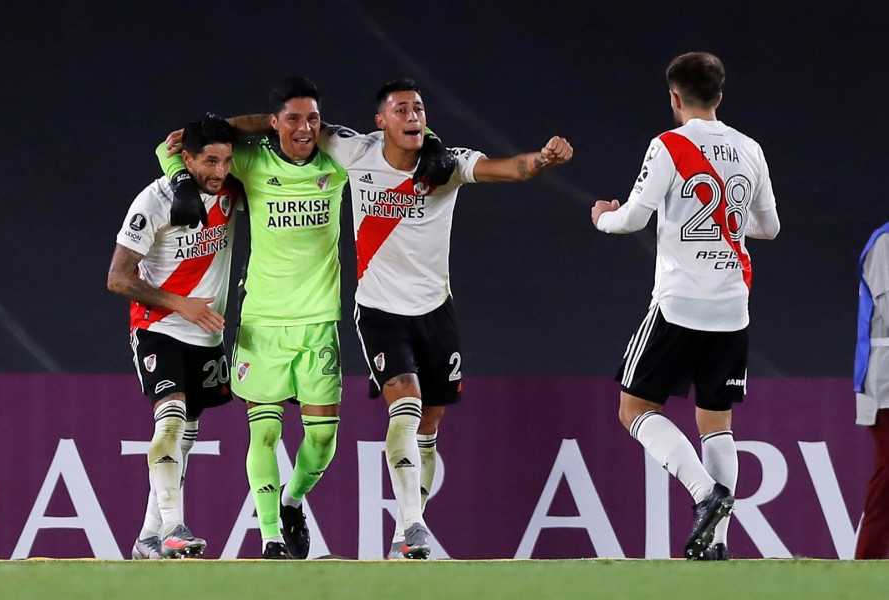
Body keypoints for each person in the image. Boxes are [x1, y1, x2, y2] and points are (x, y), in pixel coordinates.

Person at [158, 77, 456, 560]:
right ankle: (271, 536)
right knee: (266, 433)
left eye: (313, 118)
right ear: (273, 123)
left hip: (319, 321)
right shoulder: (251, 161)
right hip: (263, 321)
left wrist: (436, 143)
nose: (304, 128)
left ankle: (293, 500)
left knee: (321, 442)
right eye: (292, 119)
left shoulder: (341, 162)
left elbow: (398, 144)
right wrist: (179, 179)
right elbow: (174, 147)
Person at [318, 78, 573, 559]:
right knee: (407, 407)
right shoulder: (354, 151)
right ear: (381, 121)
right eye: (400, 109)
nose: (412, 115)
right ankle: (409, 527)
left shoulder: (447, 165)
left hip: (436, 311)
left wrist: (543, 159)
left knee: (429, 428)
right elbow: (298, 125)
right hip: (379, 311)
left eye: (418, 107)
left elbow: (511, 169)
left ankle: (413, 533)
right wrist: (227, 129)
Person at [591, 52, 780, 560]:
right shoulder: (750, 148)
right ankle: (715, 545)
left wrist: (603, 217)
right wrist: (729, 227)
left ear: (675, 98)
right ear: (719, 96)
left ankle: (705, 495)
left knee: (634, 410)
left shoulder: (669, 145)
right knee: (716, 422)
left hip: (678, 306)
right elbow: (770, 227)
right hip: (732, 310)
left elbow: (633, 219)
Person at [107, 114, 243, 559]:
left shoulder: (230, 190)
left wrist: (224, 124)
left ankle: (149, 536)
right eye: (209, 160)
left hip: (205, 336)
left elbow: (275, 126)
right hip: (159, 327)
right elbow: (117, 278)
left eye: (225, 160)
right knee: (169, 421)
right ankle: (173, 527)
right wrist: (179, 303)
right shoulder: (154, 201)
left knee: (186, 435)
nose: (219, 171)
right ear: (185, 160)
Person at [854, 221, 889, 559]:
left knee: (885, 478)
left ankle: (868, 559)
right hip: (884, 382)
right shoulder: (884, 243)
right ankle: (868, 558)